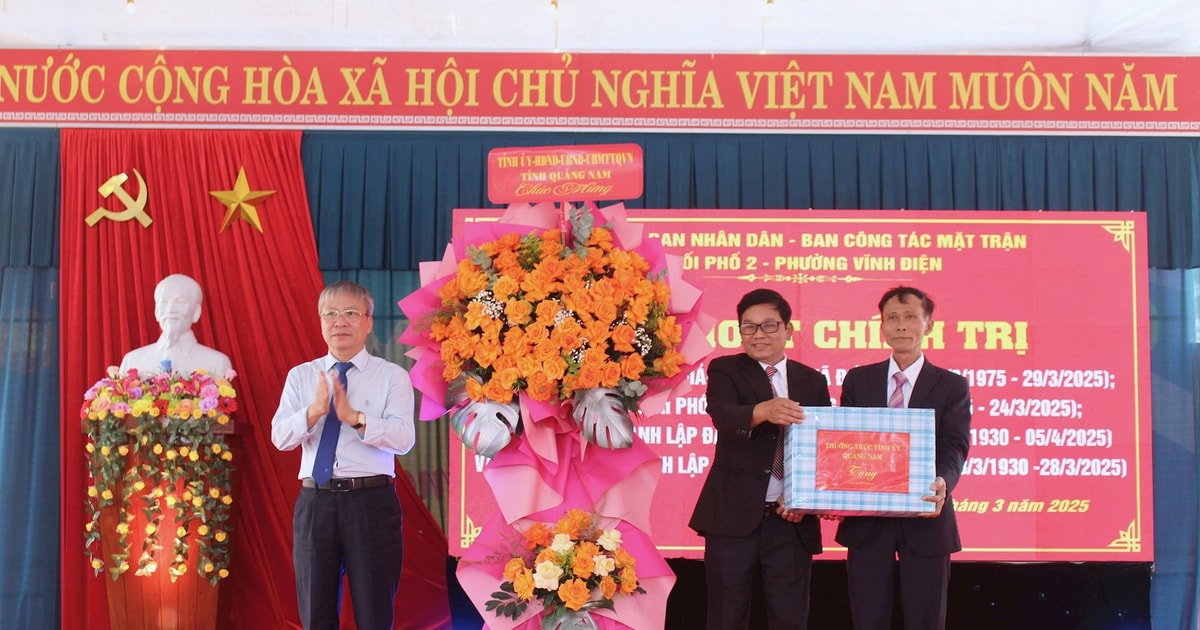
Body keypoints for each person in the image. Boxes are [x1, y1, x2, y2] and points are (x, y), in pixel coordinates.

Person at [271, 280, 416, 630]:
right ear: (320, 322)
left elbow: (404, 439)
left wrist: (357, 419)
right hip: (315, 503)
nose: (340, 322)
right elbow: (280, 438)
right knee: (315, 615)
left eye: (351, 313)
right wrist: (314, 411)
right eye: (331, 314)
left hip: (371, 502)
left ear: (368, 321)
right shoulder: (301, 376)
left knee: (374, 614)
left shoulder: (391, 377)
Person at [689, 288, 831, 630]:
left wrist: (803, 497)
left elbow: (822, 446)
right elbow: (723, 415)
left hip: (790, 520)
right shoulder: (725, 369)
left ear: (788, 330)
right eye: (748, 327)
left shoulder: (812, 380)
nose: (758, 335)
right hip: (732, 520)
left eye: (768, 325)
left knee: (790, 618)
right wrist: (762, 411)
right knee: (726, 616)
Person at [835, 286, 971, 630]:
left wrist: (943, 481)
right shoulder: (858, 379)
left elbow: (955, 444)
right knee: (867, 619)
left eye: (910, 317)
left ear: (928, 324)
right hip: (868, 522)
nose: (900, 325)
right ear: (882, 327)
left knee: (926, 620)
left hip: (927, 516)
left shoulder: (951, 386)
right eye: (892, 318)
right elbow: (845, 443)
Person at [119, 273, 232, 376]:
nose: (170, 310)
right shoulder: (132, 361)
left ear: (196, 312)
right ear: (156, 312)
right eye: (164, 302)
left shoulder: (217, 363)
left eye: (180, 301)